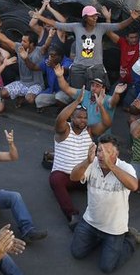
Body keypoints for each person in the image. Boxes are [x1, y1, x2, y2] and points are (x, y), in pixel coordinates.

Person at [70, 136, 140, 274]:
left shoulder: (126, 167)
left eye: (107, 152)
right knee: (77, 253)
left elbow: (134, 186)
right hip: (90, 222)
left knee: (107, 267)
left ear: (116, 154)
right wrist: (87, 161)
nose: (101, 155)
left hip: (114, 228)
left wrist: (111, 166)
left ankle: (131, 239)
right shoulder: (92, 163)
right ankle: (98, 240)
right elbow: (73, 177)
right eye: (99, 151)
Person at [32, 4, 140, 88]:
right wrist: (39, 17)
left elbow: (119, 26)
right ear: (85, 18)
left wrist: (131, 18)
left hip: (96, 68)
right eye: (92, 16)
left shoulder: (101, 27)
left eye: (96, 16)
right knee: (78, 93)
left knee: (94, 94)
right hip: (79, 67)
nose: (95, 18)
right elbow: (56, 24)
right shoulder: (76, 26)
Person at [51, 90, 111, 228]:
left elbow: (107, 124)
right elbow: (59, 119)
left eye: (85, 117)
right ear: (72, 117)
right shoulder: (64, 130)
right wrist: (77, 101)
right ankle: (72, 215)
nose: (82, 120)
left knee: (103, 178)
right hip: (65, 175)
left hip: (84, 175)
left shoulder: (89, 130)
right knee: (55, 180)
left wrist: (101, 106)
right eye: (79, 117)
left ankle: (105, 215)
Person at [0, 24, 44, 109]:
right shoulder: (19, 47)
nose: (21, 42)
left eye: (24, 41)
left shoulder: (39, 52)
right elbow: (5, 39)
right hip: (23, 82)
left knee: (30, 99)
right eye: (22, 40)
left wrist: (25, 58)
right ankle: (21, 96)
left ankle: (40, 102)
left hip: (36, 85)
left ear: (32, 44)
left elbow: (32, 67)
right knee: (3, 93)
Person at [55, 67, 126, 135]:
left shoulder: (107, 99)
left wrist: (116, 93)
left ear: (103, 89)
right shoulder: (85, 93)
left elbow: (113, 101)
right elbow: (66, 89)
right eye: (92, 85)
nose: (94, 88)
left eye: (97, 86)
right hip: (84, 134)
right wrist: (60, 76)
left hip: (102, 137)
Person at [105, 28, 140, 106]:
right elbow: (108, 32)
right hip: (122, 80)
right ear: (126, 37)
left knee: (127, 105)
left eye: (136, 37)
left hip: (134, 82)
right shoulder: (123, 42)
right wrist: (107, 19)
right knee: (109, 100)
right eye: (131, 37)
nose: (134, 39)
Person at [34, 45, 73, 113]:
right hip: (52, 91)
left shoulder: (67, 61)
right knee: (38, 100)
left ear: (60, 56)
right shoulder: (48, 61)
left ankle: (64, 108)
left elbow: (65, 71)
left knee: (59, 97)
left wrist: (54, 66)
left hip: (65, 91)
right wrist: (25, 58)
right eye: (49, 55)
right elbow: (34, 67)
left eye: (52, 56)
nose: (50, 57)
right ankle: (57, 104)